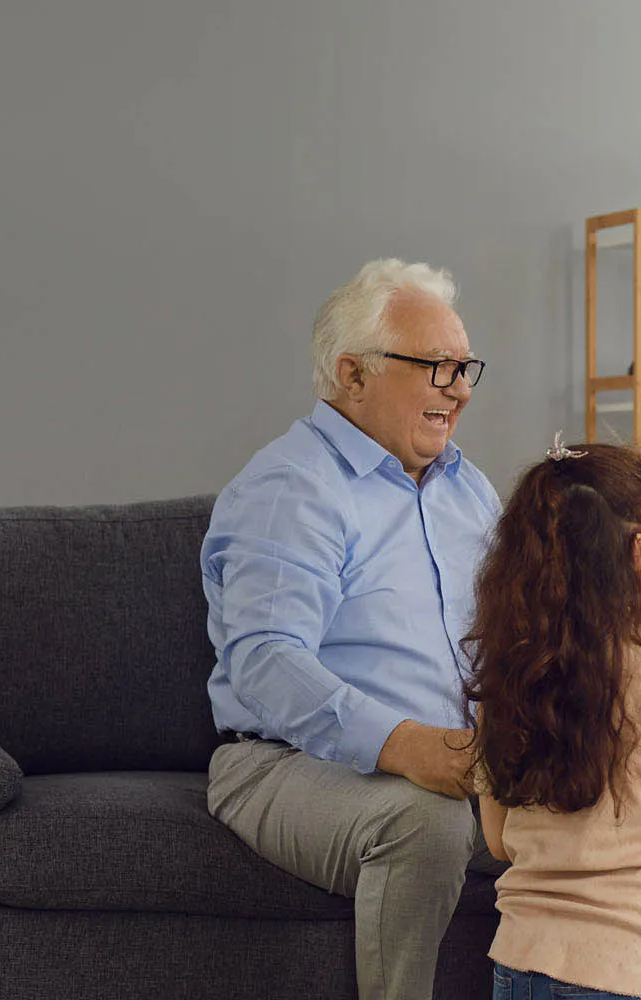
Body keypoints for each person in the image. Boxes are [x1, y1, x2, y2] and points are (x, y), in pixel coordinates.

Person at [201, 259, 498, 1000]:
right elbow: (265, 661)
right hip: (285, 764)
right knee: (425, 822)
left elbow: (508, 640)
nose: (459, 390)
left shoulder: (470, 488)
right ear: (353, 375)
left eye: (464, 369)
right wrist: (405, 745)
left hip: (464, 759)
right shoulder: (291, 486)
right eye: (435, 367)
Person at [467, 440, 641, 1000]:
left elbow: (499, 842)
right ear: (637, 551)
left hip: (518, 967)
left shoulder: (504, 683)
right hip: (633, 975)